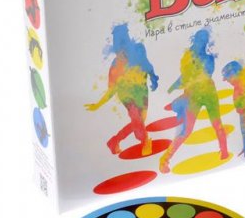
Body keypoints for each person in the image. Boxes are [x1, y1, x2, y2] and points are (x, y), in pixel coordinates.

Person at [159, 28, 229, 173]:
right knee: (186, 131)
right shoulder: (187, 58)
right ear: (194, 40)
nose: (201, 42)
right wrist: (172, 87)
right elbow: (184, 77)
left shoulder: (208, 59)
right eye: (199, 39)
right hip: (193, 96)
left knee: (217, 125)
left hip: (209, 94)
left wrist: (180, 83)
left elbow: (204, 74)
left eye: (204, 40)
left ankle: (224, 152)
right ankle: (165, 159)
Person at [85, 23, 159, 156]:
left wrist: (153, 78)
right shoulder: (116, 65)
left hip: (142, 90)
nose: (122, 54)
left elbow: (147, 65)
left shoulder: (139, 50)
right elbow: (112, 90)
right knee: (137, 120)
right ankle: (145, 141)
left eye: (124, 50)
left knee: (140, 121)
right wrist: (98, 104)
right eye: (118, 50)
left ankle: (114, 141)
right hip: (126, 95)